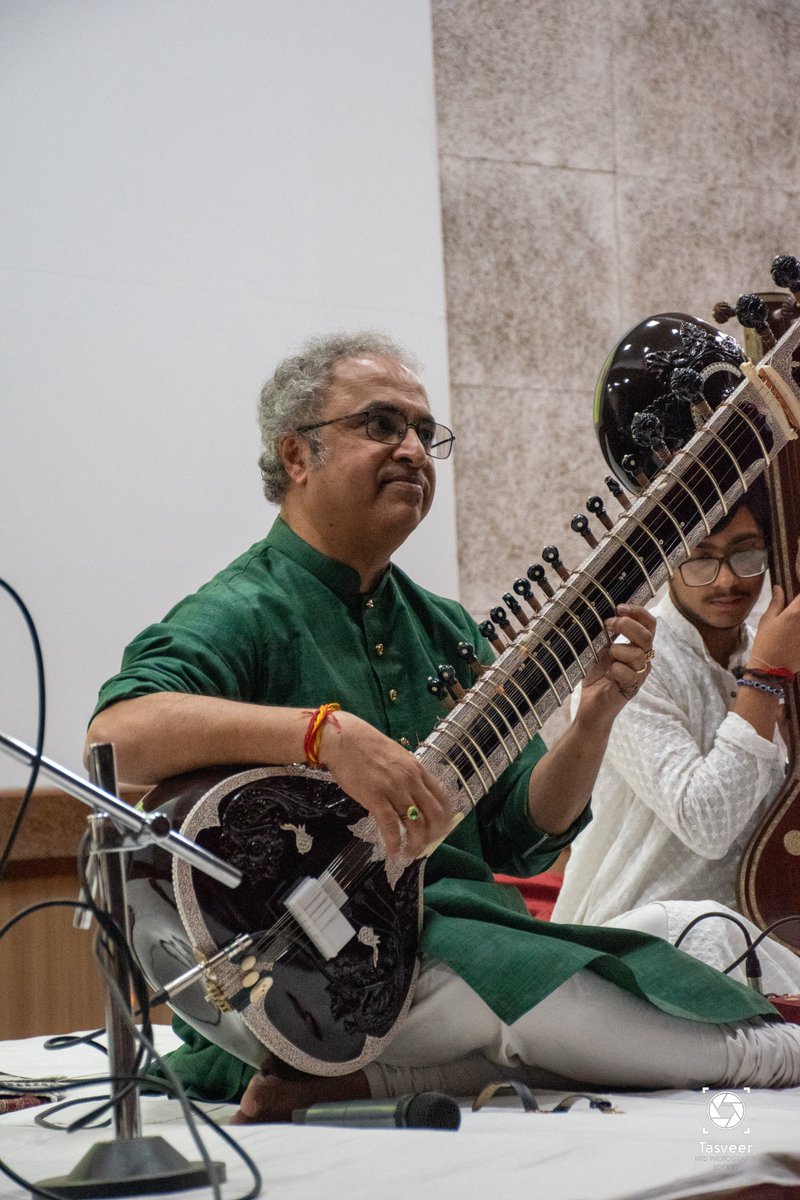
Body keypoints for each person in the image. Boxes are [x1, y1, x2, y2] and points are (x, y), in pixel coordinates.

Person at [86, 332, 800, 1121]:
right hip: (313, 964)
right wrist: (325, 736)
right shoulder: (246, 610)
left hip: (449, 939)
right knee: (550, 995)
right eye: (381, 425)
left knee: (660, 950)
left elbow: (521, 831)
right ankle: (768, 1058)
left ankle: (365, 1079)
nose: (413, 450)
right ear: (297, 456)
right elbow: (118, 737)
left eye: (425, 433)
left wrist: (593, 720)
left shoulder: (446, 629)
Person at [553, 479, 800, 942]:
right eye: (701, 557)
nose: (726, 580)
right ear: (666, 562)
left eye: (747, 553)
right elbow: (707, 823)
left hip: (749, 942)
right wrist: (765, 681)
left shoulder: (766, 651)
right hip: (632, 946)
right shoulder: (629, 664)